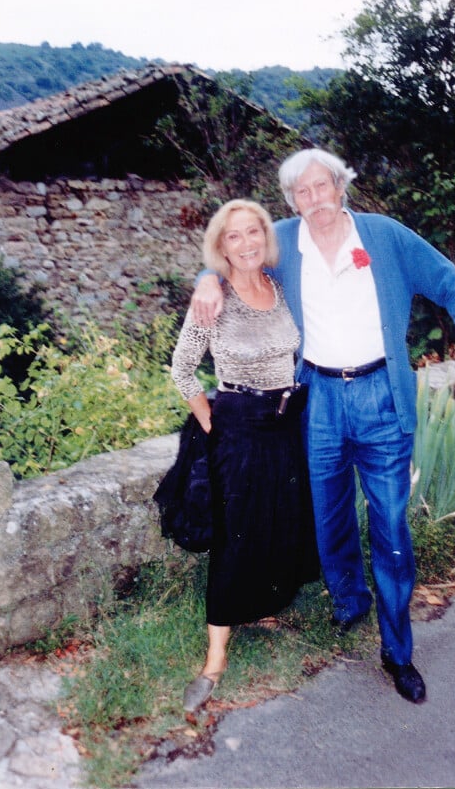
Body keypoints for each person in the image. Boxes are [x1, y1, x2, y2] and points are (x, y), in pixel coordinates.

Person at [192, 149, 455, 704]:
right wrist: (207, 279)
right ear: (290, 201)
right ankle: (349, 601)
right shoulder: (283, 241)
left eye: (322, 186)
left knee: (391, 528)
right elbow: (235, 252)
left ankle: (397, 651)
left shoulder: (384, 236)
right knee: (328, 517)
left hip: (383, 396)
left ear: (340, 185)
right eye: (302, 193)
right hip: (319, 397)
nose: (315, 200)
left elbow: (450, 282)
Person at [170, 198, 318, 714]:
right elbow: (183, 370)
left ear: (265, 237)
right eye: (234, 236)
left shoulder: (279, 289)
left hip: (284, 423)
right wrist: (213, 422)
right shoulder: (213, 299)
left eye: (253, 232)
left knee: (278, 522)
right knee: (234, 537)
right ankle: (215, 658)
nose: (247, 242)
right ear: (221, 245)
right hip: (238, 426)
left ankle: (263, 604)